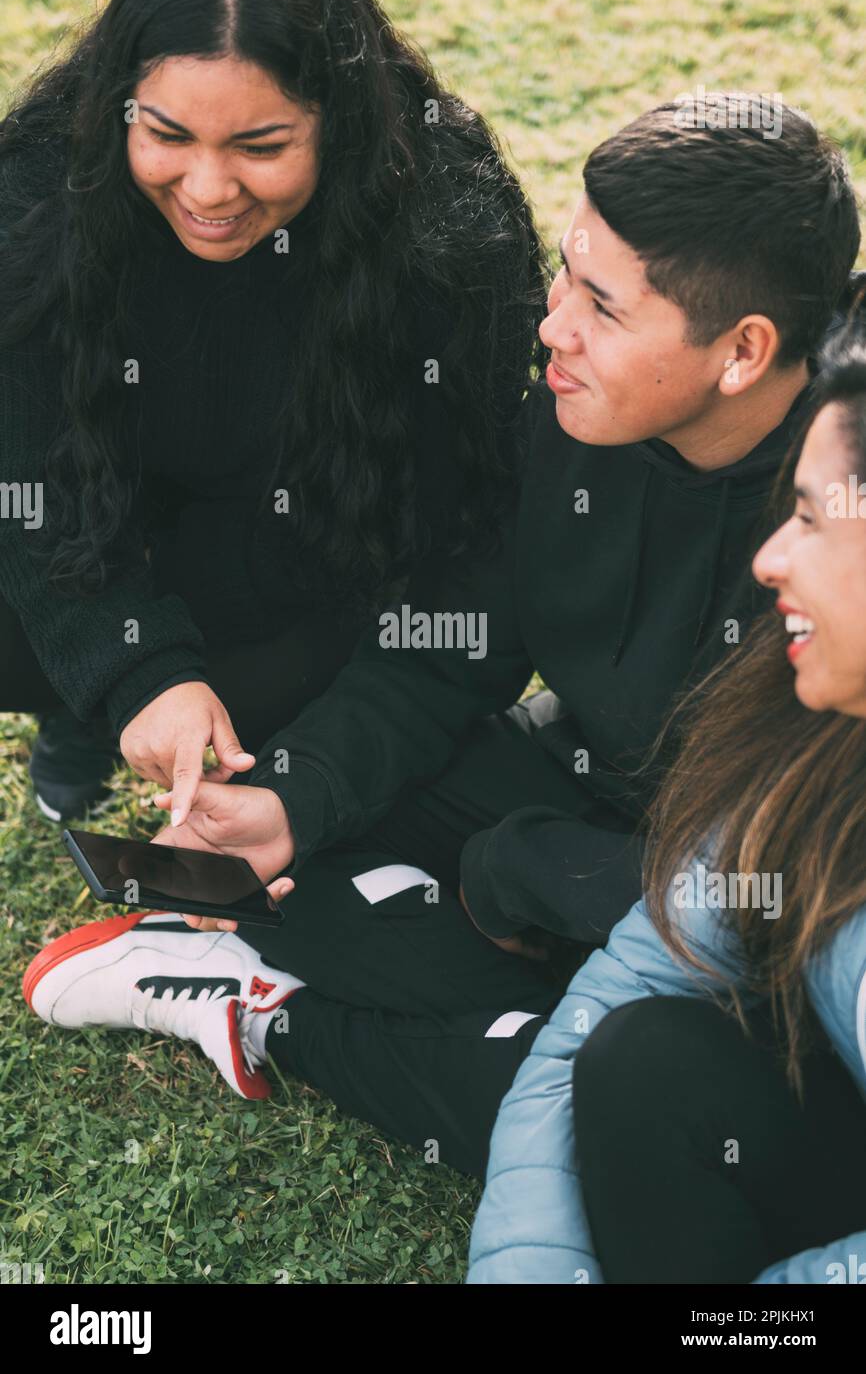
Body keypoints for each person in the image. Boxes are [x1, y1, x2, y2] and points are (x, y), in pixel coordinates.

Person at [23, 98, 862, 1182]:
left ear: (742, 350)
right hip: (586, 785)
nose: (551, 325)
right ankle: (458, 987)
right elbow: (452, 648)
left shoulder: (838, 515)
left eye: (600, 308)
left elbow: (798, 899)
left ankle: (283, 1024)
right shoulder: (569, 422)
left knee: (645, 1111)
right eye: (564, 275)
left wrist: (525, 870)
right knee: (295, 878)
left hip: (749, 892)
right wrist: (291, 800)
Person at [0, 0, 545, 821]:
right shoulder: (36, 191)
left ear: (340, 121)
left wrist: (322, 761)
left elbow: (455, 518)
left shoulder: (450, 232)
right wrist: (129, 669)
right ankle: (79, 707)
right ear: (119, 106)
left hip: (309, 554)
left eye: (261, 145)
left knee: (282, 699)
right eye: (167, 134)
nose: (209, 189)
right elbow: (25, 471)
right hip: (109, 517)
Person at [468, 316, 866, 1284]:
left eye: (811, 518)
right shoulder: (817, 742)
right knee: (642, 1058)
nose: (769, 557)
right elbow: (634, 984)